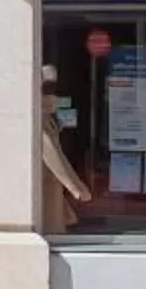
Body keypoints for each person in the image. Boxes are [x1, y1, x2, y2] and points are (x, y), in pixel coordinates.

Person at [40, 67, 91, 234]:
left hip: (52, 184)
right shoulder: (39, 122)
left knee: (56, 222)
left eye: (54, 93)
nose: (53, 99)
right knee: (50, 225)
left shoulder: (49, 121)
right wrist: (74, 186)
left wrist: (75, 184)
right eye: (47, 93)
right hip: (45, 182)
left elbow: (58, 155)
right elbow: (51, 155)